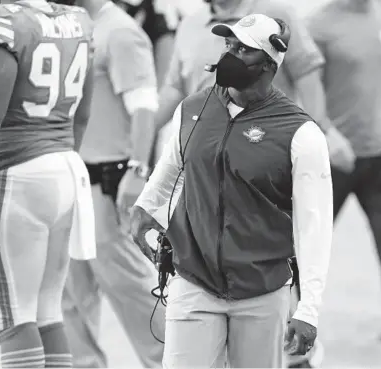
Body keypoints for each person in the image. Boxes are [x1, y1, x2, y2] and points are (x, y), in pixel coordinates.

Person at [130, 13, 333, 368]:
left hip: (262, 292)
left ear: (270, 63)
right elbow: (171, 168)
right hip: (193, 281)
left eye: (244, 50)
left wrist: (309, 310)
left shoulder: (301, 133)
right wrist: (144, 209)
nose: (230, 56)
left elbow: (314, 228)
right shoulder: (193, 108)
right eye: (229, 45)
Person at [0, 0, 94, 367]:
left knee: (12, 318)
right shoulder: (77, 21)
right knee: (46, 313)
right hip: (65, 166)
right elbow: (82, 115)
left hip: (13, 171)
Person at [60, 0, 165, 367]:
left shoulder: (118, 31)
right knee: (71, 293)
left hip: (108, 183)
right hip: (72, 178)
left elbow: (144, 106)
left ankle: (174, 361)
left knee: (130, 287)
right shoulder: (69, 25)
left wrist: (138, 171)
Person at [307, 0, 381, 363]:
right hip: (333, 158)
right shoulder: (318, 26)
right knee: (304, 248)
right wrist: (326, 133)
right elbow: (305, 87)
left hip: (380, 154)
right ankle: (287, 328)